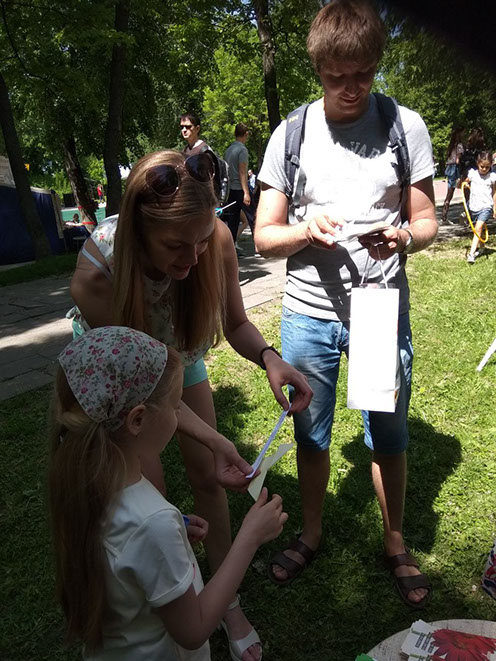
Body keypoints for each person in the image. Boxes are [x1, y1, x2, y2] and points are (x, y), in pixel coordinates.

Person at [70, 149, 312, 661]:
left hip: (178, 354)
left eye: (202, 242)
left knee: (209, 477)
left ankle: (226, 604)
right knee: (147, 495)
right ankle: (174, 605)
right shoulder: (97, 276)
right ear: (140, 232)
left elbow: (236, 322)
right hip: (122, 374)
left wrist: (269, 358)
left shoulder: (212, 237)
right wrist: (216, 437)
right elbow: (146, 398)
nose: (193, 258)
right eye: (176, 246)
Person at [255, 0, 438, 609]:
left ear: (376, 64)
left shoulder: (403, 125)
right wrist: (305, 230)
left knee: (387, 431)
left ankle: (394, 540)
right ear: (318, 69)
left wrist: (404, 236)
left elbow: (426, 220)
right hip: (308, 313)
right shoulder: (291, 133)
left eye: (363, 74)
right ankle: (310, 533)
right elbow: (263, 236)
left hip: (378, 311)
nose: (351, 88)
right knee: (311, 432)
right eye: (337, 77)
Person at [49, 326, 288, 660]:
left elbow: (123, 551)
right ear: (138, 420)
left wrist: (176, 526)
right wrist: (249, 537)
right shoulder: (152, 523)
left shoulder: (87, 483)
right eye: (176, 405)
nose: (179, 414)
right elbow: (193, 630)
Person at [464, 151, 496, 263]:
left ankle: (471, 254)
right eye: (482, 166)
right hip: (474, 206)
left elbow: (494, 193)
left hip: (486, 206)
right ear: (478, 163)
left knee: (478, 228)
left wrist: (494, 208)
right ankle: (482, 248)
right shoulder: (473, 174)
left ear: (491, 165)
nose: (484, 169)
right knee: (479, 229)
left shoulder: (492, 177)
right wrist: (464, 184)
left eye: (487, 167)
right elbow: (464, 183)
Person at [224, 124, 251, 253]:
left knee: (233, 221)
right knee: (252, 217)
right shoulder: (242, 150)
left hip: (230, 190)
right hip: (240, 189)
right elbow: (242, 172)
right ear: (246, 134)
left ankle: (230, 247)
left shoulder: (228, 150)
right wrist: (246, 192)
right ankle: (260, 246)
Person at [441, 127, 464, 225]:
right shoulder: (459, 145)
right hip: (455, 168)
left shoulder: (451, 145)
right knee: (464, 189)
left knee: (449, 192)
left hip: (449, 167)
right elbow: (458, 160)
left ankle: (444, 215)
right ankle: (466, 215)